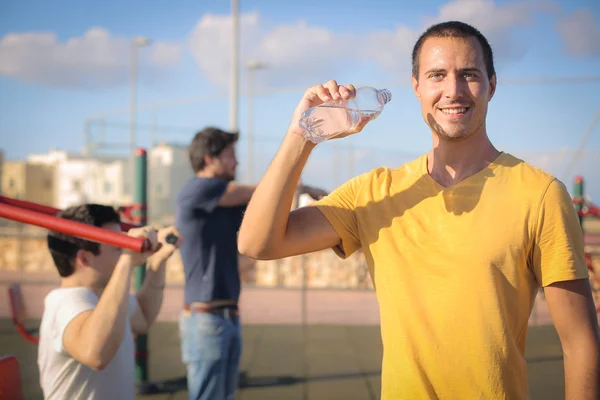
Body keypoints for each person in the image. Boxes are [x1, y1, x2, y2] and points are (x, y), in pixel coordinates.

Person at [237, 21, 600, 399]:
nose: (453, 90)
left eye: (469, 75)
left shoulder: (541, 194)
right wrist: (302, 134)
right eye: (437, 75)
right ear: (417, 87)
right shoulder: (374, 192)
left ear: (492, 85)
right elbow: (257, 242)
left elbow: (580, 344)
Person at [175, 127, 326, 400]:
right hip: (205, 320)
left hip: (228, 317)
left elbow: (272, 218)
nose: (237, 162)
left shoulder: (226, 207)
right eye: (230, 155)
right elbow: (256, 191)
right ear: (209, 159)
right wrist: (292, 181)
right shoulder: (195, 190)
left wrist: (305, 192)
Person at [37, 204, 182, 400]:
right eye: (117, 248)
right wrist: (126, 262)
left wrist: (157, 263)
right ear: (84, 259)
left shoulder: (105, 296)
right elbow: (96, 354)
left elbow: (143, 318)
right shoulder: (67, 302)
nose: (124, 251)